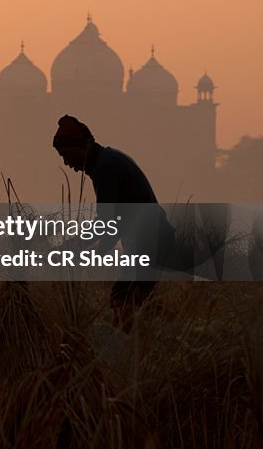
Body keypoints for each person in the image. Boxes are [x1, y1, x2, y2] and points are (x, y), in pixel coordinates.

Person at [52, 114, 177, 326]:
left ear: (81, 147)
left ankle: (130, 345)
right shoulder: (107, 161)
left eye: (66, 154)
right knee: (139, 300)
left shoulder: (105, 167)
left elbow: (107, 226)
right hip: (152, 241)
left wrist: (75, 247)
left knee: (123, 298)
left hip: (148, 243)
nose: (66, 163)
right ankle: (167, 328)